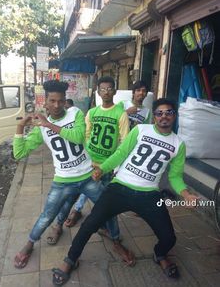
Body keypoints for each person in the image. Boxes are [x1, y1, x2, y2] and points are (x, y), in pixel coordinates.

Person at [52, 98, 200, 285]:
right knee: (90, 223)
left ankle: (160, 254)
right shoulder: (140, 130)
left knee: (169, 237)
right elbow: (121, 153)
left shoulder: (179, 144)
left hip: (149, 194)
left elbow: (175, 176)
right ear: (154, 116)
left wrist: (185, 194)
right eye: (159, 113)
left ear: (174, 116)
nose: (164, 116)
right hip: (120, 187)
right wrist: (102, 169)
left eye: (168, 112)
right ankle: (70, 260)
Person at [13, 80, 130, 269]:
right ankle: (30, 243)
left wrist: (48, 125)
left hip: (87, 175)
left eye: (60, 101)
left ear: (65, 100)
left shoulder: (75, 114)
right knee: (47, 215)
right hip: (63, 180)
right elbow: (19, 153)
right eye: (52, 101)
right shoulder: (41, 127)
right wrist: (21, 127)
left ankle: (116, 240)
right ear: (46, 103)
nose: (57, 105)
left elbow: (77, 137)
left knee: (108, 208)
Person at [62, 76, 130, 233]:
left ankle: (101, 222)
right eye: (103, 89)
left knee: (103, 196)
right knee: (82, 190)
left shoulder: (121, 114)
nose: (106, 92)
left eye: (109, 89)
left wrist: (115, 165)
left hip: (106, 164)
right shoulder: (92, 112)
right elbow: (85, 135)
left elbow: (124, 142)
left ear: (115, 91)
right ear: (98, 92)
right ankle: (76, 211)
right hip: (89, 162)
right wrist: (86, 157)